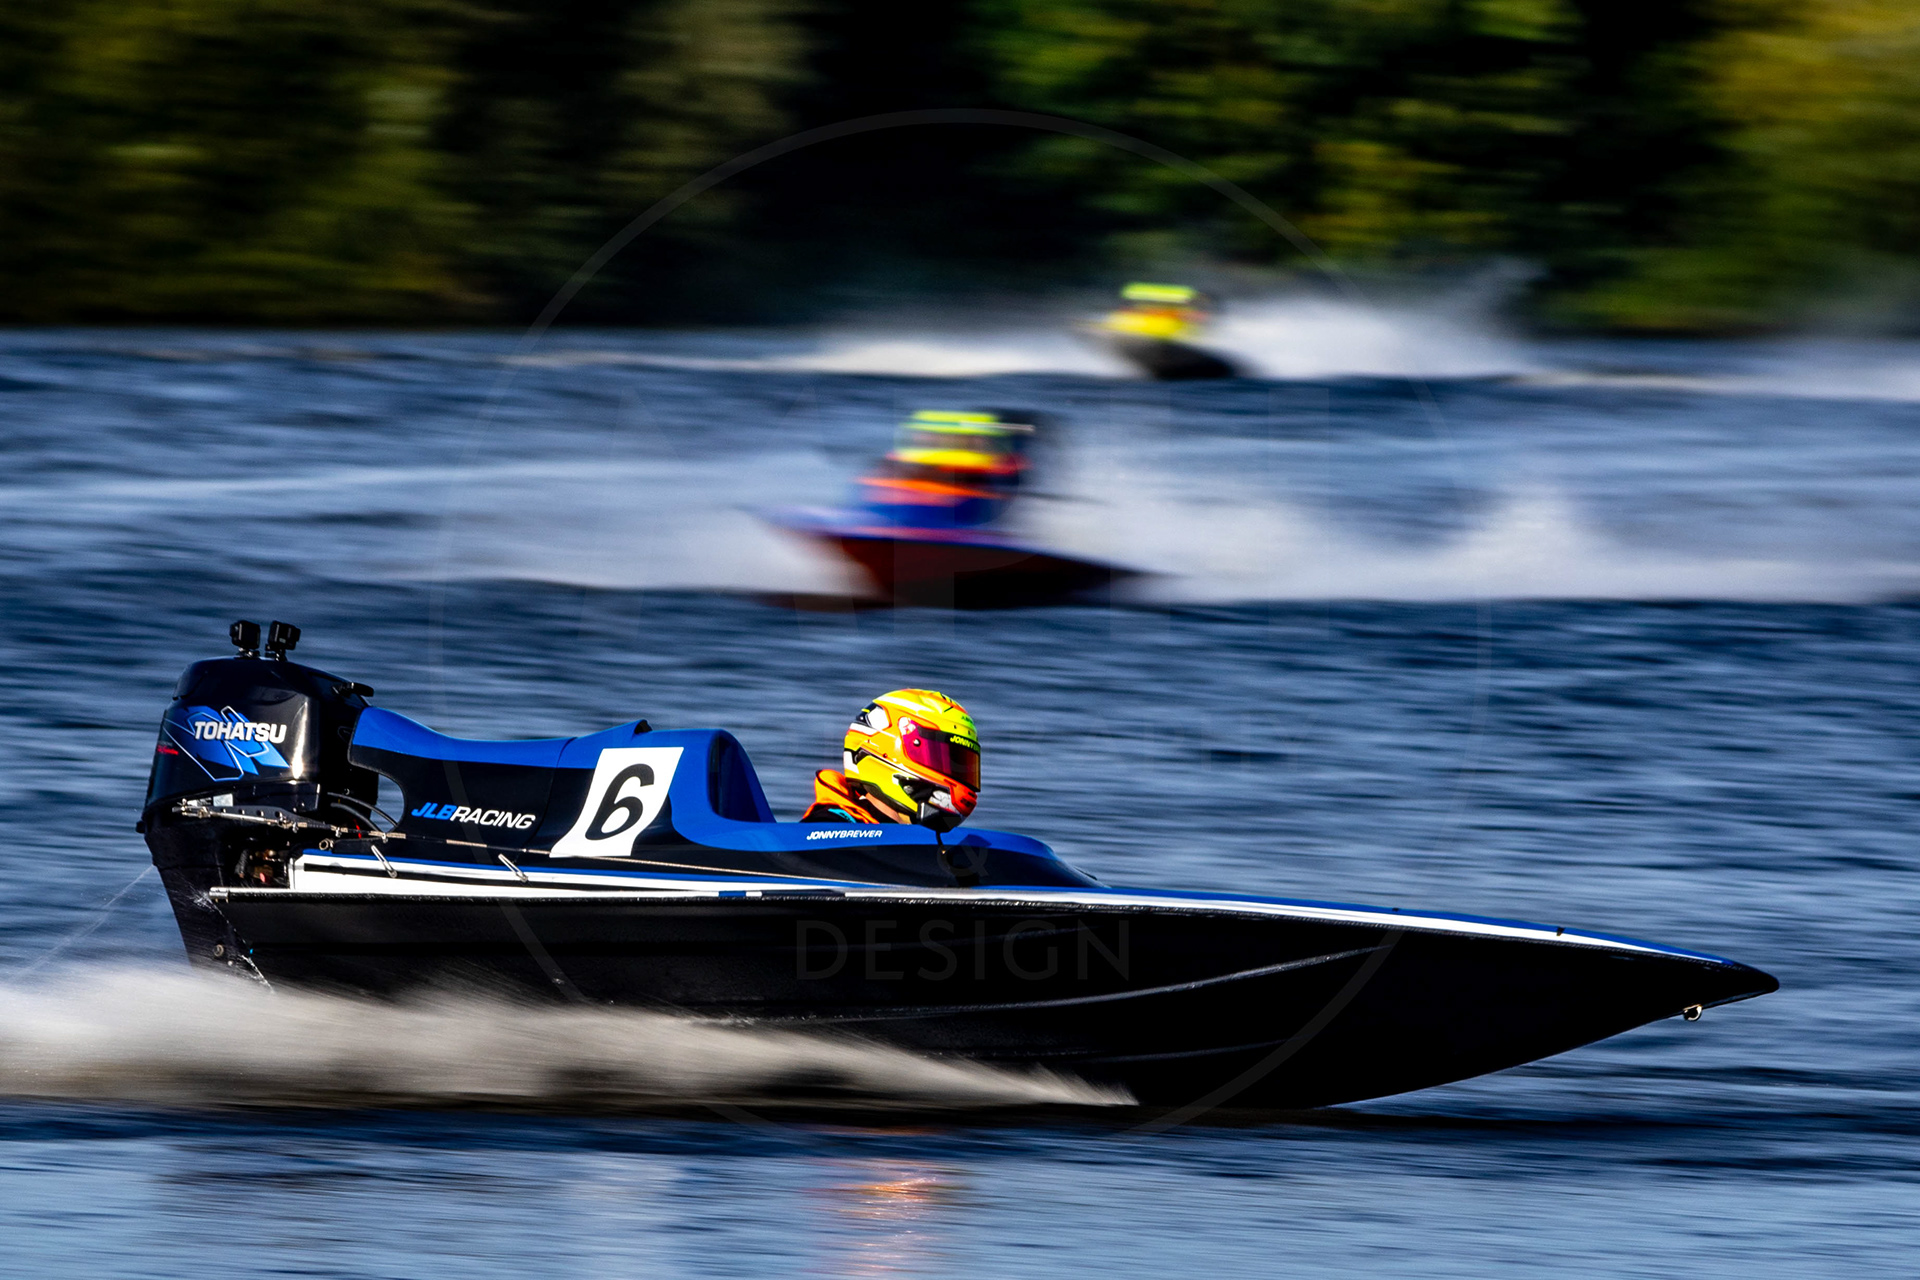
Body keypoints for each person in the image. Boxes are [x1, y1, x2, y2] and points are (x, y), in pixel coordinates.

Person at [800, 689, 980, 831]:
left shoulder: (933, 844)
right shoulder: (831, 825)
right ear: (886, 751)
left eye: (961, 765)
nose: (956, 774)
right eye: (940, 758)